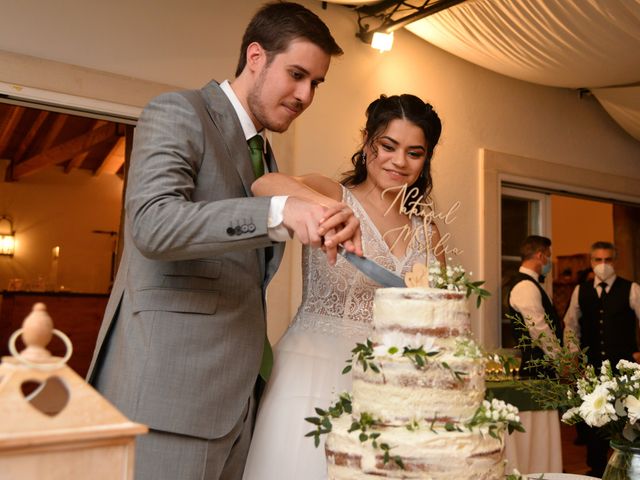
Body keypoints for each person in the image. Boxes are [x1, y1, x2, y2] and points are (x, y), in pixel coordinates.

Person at [86, 3, 362, 480]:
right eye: (297, 74)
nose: (305, 95)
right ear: (256, 56)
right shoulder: (179, 111)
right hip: (168, 403)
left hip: (238, 405)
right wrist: (279, 212)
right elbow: (153, 223)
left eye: (315, 83)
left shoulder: (264, 155)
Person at [242, 93, 445, 480]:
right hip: (313, 367)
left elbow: (437, 318)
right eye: (388, 146)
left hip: (391, 383)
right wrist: (330, 210)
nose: (399, 161)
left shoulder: (428, 231)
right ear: (367, 142)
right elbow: (264, 183)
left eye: (414, 153)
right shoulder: (332, 193)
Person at [563, 240, 640, 477]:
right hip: (591, 367)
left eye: (608, 260)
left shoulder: (632, 288)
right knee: (593, 418)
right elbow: (570, 325)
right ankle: (595, 469)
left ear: (614, 261)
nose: (603, 264)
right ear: (591, 261)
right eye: (598, 260)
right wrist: (572, 356)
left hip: (623, 366)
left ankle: (628, 467)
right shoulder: (581, 290)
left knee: (626, 417)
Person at [507, 235, 563, 377]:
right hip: (537, 370)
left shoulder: (533, 284)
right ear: (540, 256)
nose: (549, 261)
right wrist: (561, 361)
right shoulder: (525, 286)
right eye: (548, 256)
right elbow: (539, 328)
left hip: (544, 367)